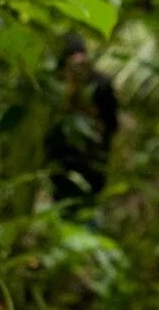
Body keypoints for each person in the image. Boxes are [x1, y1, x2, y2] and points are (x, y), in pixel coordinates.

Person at [42, 33, 119, 205]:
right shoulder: (56, 84)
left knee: (85, 207)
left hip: (89, 161)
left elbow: (111, 123)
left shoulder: (100, 83)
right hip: (67, 162)